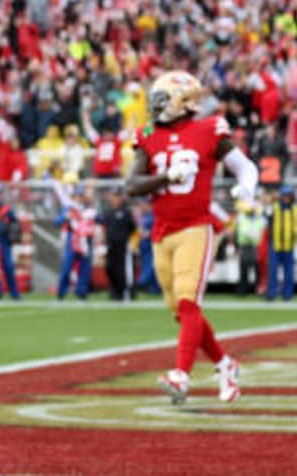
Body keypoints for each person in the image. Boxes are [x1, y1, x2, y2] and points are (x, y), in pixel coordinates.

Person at [126, 71, 258, 404]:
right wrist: (165, 177)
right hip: (161, 232)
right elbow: (131, 185)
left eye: (161, 98)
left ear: (176, 100)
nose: (155, 104)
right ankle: (225, 365)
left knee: (188, 302)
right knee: (183, 312)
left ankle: (181, 376)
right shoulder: (148, 133)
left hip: (196, 227)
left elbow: (246, 167)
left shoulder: (208, 129)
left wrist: (247, 187)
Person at [102, 188, 137, 301]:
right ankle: (115, 291)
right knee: (110, 268)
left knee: (124, 270)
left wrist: (132, 244)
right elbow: (105, 229)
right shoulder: (108, 213)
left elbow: (133, 229)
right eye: (113, 196)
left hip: (124, 246)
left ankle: (127, 292)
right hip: (111, 246)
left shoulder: (126, 212)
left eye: (117, 196)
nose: (115, 199)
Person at [264, 185, 295, 301]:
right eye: (285, 196)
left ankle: (287, 295)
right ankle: (271, 293)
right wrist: (270, 201)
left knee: (289, 272)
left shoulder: (294, 210)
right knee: (273, 270)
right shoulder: (274, 207)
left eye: (289, 196)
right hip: (275, 244)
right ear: (281, 197)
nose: (287, 198)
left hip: (289, 245)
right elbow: (266, 215)